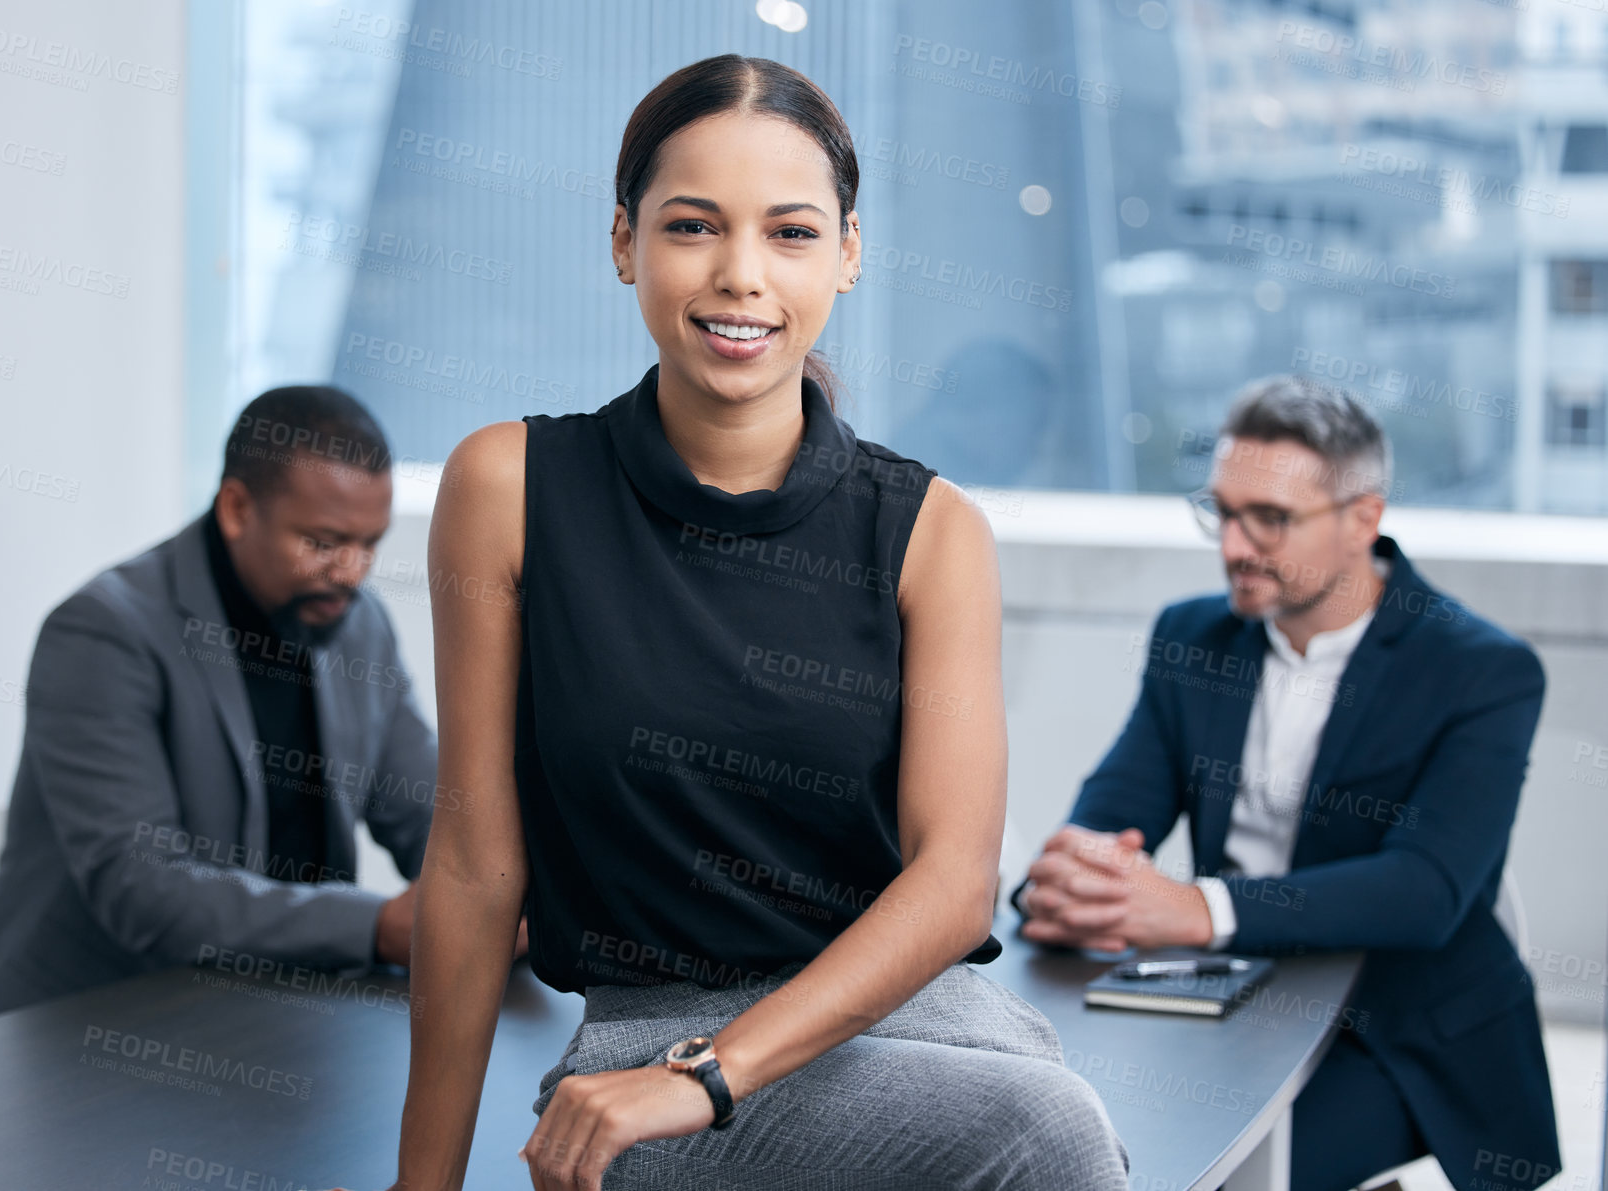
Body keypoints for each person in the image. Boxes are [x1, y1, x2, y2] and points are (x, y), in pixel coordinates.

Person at [369, 54, 1130, 1191]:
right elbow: (477, 866)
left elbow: (953, 882)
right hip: (643, 1050)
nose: (741, 277)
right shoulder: (508, 489)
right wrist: (419, 1188)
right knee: (1054, 1136)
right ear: (624, 242)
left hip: (914, 1033)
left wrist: (717, 1072)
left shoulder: (932, 530)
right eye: (691, 227)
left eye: (790, 233)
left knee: (1053, 1129)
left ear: (848, 254)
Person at [1008, 376, 1562, 1191]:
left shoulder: (1480, 670)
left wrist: (1197, 907)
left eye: (1269, 518)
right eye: (1222, 512)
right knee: (1070, 1148)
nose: (1234, 545)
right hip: (1223, 1002)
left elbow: (1425, 889)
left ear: (1362, 520)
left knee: (1218, 1176)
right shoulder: (1192, 636)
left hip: (1396, 1028)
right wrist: (1071, 876)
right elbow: (1114, 811)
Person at [0, 386, 518, 1026]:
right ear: (238, 508)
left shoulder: (356, 625)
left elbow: (426, 811)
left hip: (270, 1017)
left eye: (370, 543)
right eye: (324, 542)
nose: (352, 572)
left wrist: (500, 890)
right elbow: (141, 889)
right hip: (73, 1030)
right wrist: (377, 925)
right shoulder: (102, 633)